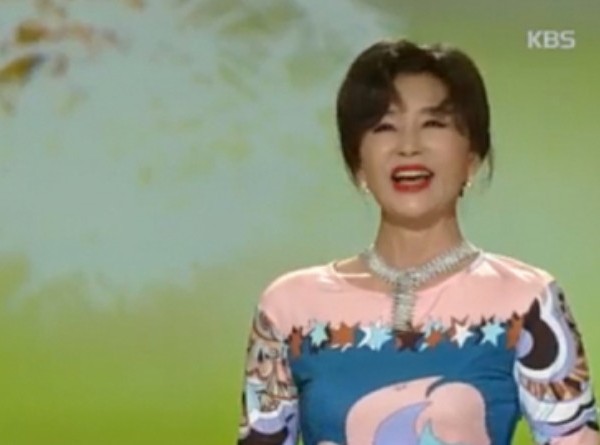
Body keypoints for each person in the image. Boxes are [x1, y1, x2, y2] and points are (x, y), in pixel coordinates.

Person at [235, 39, 599, 445]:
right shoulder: (290, 306)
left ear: (472, 157)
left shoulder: (526, 300)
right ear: (357, 163)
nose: (408, 146)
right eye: (384, 127)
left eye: (434, 124)